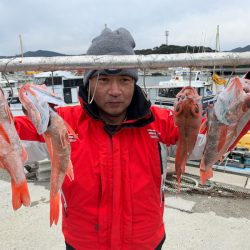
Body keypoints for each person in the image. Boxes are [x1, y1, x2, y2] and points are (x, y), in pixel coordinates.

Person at [12, 27, 248, 250]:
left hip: (146, 242)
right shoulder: (61, 122)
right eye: (103, 79)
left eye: (124, 80)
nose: (115, 90)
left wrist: (243, 109)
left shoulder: (164, 121)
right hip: (82, 243)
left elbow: (210, 145)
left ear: (134, 82)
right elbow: (12, 138)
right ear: (89, 81)